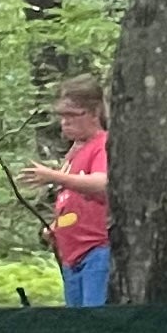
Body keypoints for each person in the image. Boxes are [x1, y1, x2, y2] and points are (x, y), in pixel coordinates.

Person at [20, 75, 112, 306]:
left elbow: (103, 185)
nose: (65, 122)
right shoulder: (75, 152)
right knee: (77, 323)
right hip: (72, 255)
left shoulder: (102, 144)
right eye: (62, 116)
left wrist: (53, 176)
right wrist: (56, 228)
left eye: (72, 115)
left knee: (93, 319)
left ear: (94, 112)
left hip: (96, 250)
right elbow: (71, 200)